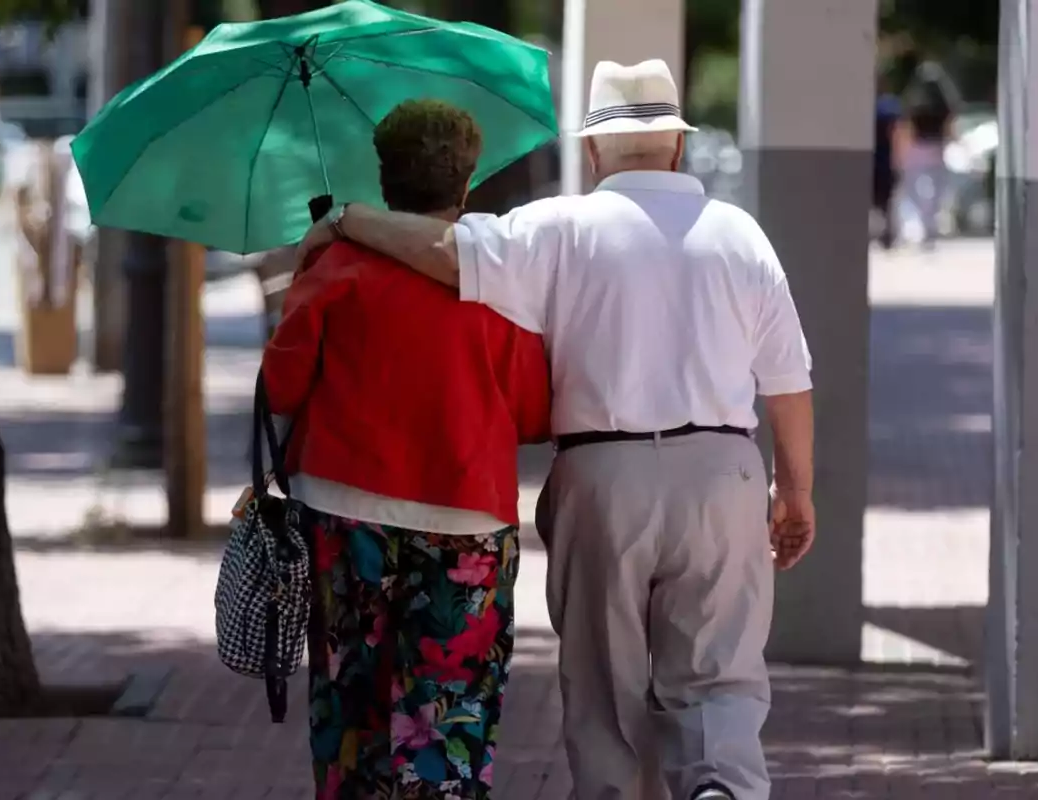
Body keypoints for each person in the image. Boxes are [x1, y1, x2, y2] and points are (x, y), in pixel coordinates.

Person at [296, 60, 816, 800]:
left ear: (595, 152)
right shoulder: (740, 236)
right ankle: (720, 786)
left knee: (606, 683)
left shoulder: (557, 226)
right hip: (722, 472)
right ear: (675, 147)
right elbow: (789, 381)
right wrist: (794, 491)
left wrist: (347, 219)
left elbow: (443, 254)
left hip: (604, 476)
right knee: (719, 673)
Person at [262, 99, 552, 799]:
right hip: (465, 523)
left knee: (351, 713)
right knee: (449, 715)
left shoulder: (336, 266)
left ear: (385, 179)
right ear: (466, 181)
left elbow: (281, 383)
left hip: (343, 511)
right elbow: (536, 412)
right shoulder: (498, 281)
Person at [899, 60, 959, 247]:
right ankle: (929, 221)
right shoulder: (944, 102)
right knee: (937, 190)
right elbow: (950, 125)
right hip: (935, 147)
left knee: (913, 189)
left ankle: (926, 221)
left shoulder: (913, 99)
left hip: (917, 148)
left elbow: (907, 125)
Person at [872, 72, 901, 249]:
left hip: (878, 160)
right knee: (886, 202)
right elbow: (897, 133)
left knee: (882, 201)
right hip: (884, 160)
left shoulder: (872, 105)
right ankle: (886, 235)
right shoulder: (889, 106)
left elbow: (897, 133)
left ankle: (884, 234)